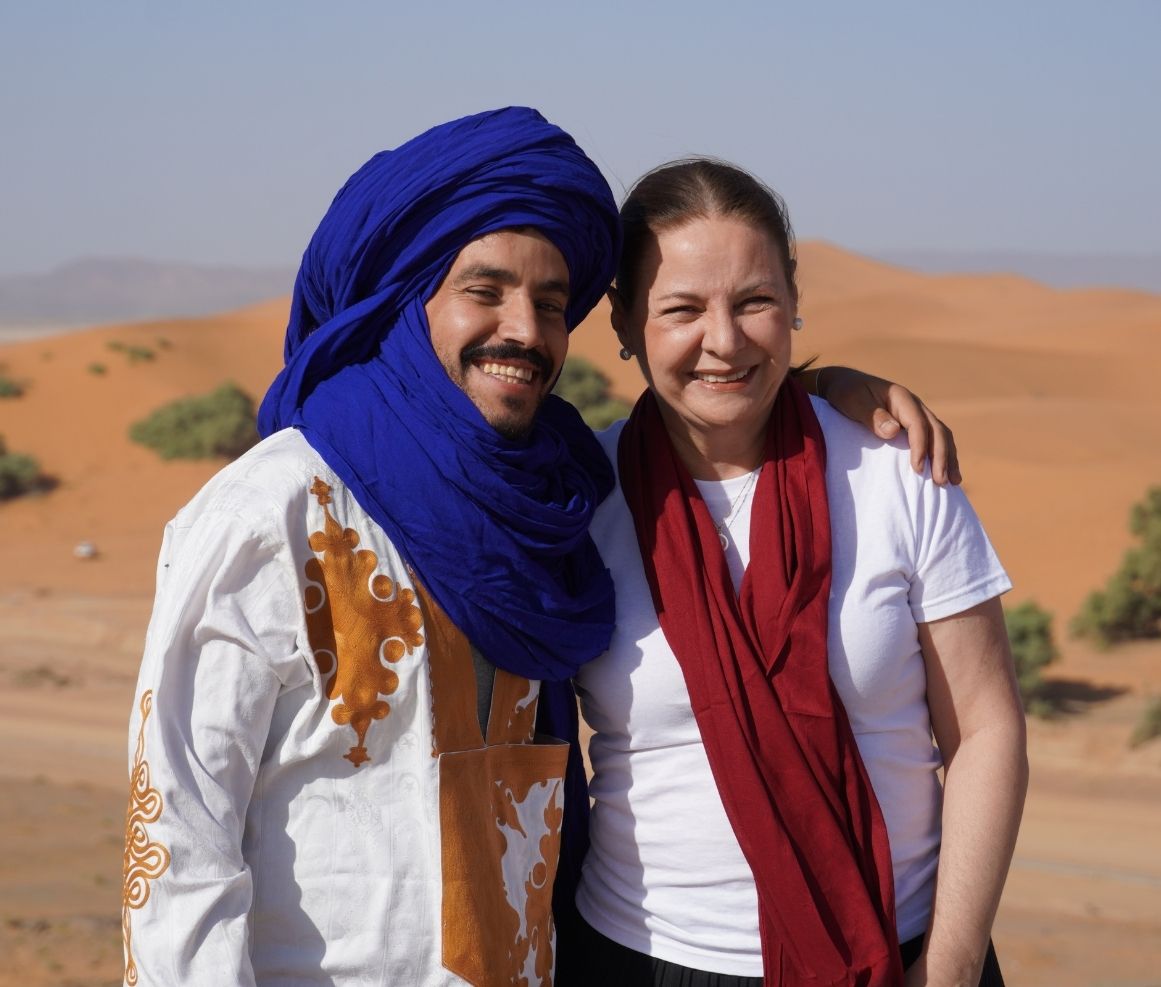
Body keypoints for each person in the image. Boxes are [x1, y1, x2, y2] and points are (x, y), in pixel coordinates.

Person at [122, 108, 959, 987]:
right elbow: (176, 835)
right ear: (404, 302)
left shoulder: (552, 501)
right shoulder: (267, 514)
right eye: (483, 291)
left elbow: (713, 408)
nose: (523, 330)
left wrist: (821, 386)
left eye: (551, 303)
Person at [562, 160, 1028, 987]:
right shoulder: (576, 500)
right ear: (625, 323)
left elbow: (986, 730)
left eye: (753, 301)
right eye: (680, 309)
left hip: (900, 952)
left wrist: (951, 964)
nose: (724, 339)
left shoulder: (896, 472)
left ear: (792, 300)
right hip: (645, 954)